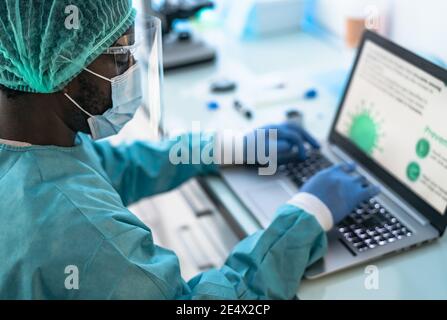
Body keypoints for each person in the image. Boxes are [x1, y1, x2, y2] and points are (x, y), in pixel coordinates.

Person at [0, 0, 379, 299]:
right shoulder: (81, 232)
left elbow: (115, 169)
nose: (131, 66)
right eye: (118, 54)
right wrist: (304, 217)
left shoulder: (30, 143)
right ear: (59, 63)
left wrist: (223, 148)